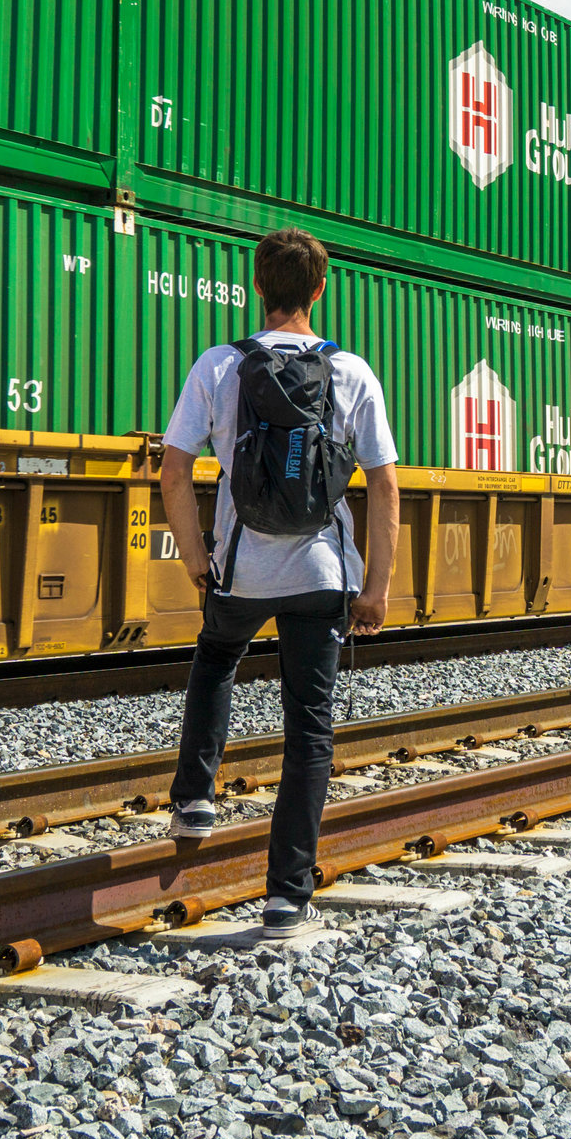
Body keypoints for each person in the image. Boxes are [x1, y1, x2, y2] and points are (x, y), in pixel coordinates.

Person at [159, 228, 400, 938]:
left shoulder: (220, 365)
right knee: (309, 731)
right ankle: (287, 897)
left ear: (256, 286)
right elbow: (385, 487)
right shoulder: (351, 371)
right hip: (321, 575)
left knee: (216, 655)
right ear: (320, 289)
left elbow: (173, 469)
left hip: (241, 567)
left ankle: (194, 798)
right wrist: (376, 587)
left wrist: (195, 554)